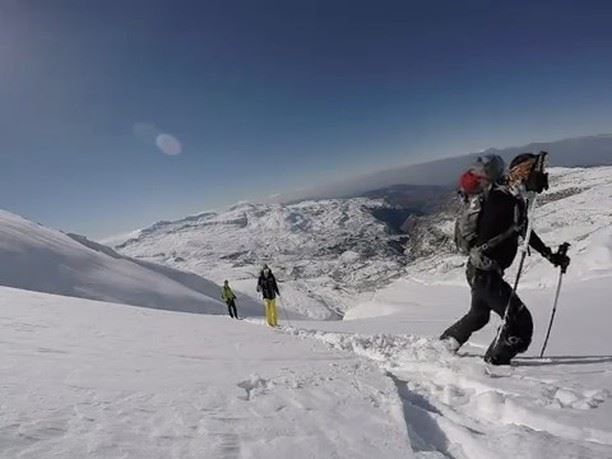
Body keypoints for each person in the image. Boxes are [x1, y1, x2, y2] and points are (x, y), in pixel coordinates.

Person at [441, 153, 570, 365]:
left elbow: (522, 229)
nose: (540, 179)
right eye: (534, 174)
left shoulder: (508, 199)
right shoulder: (503, 200)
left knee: (479, 315)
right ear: (522, 174)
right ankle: (495, 367)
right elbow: (516, 225)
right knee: (519, 322)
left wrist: (550, 255)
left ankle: (444, 346)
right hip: (485, 274)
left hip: (480, 271)